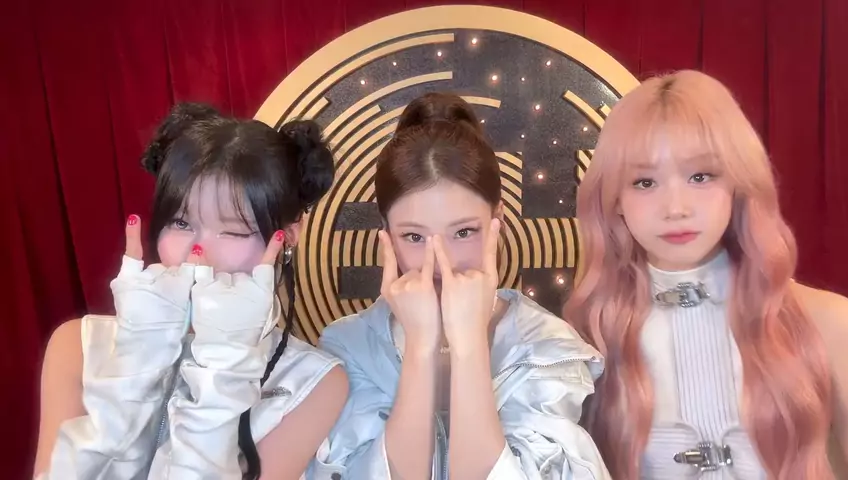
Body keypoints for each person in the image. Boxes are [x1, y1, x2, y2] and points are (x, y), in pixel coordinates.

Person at [564, 70, 848, 479]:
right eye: (644, 182)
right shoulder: (584, 340)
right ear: (614, 200)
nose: (676, 208)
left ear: (739, 182)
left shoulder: (830, 323)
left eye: (701, 176)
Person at [34, 103, 349, 479]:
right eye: (181, 223)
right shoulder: (78, 346)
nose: (198, 254)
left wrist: (223, 370)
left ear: (287, 237)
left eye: (233, 230)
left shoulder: (314, 383)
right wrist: (134, 366)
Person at [308, 92, 610, 479]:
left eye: (463, 232)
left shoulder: (546, 346)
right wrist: (421, 346)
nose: (442, 263)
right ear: (386, 236)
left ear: (498, 220)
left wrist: (467, 342)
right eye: (414, 237)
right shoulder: (349, 346)